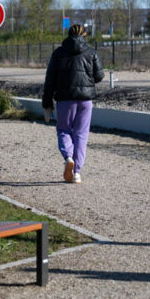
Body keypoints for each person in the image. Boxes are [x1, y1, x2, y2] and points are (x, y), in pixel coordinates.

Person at [42, 24, 105, 183]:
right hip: (85, 100)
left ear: (68, 35)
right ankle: (77, 172)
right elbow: (99, 76)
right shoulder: (91, 52)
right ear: (84, 35)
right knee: (81, 134)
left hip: (64, 99)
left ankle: (68, 157)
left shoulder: (58, 53)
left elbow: (50, 79)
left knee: (64, 130)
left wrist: (47, 103)